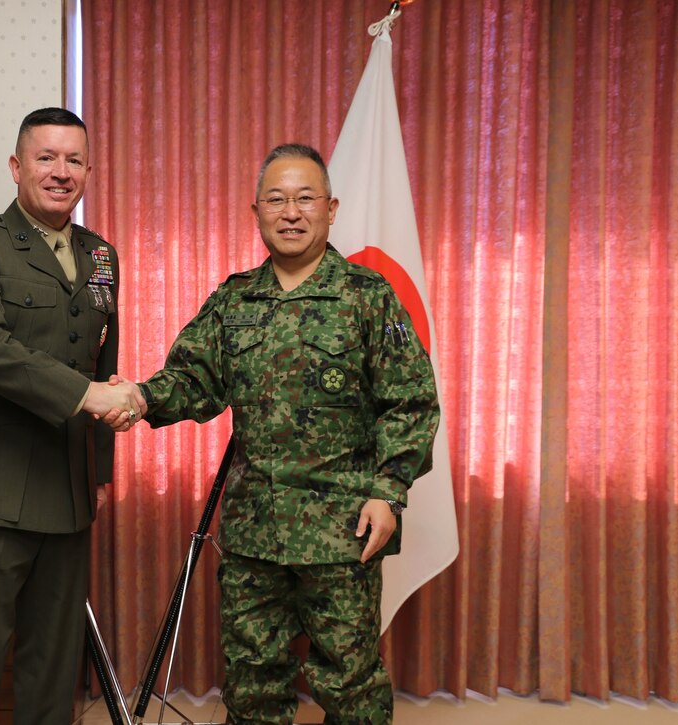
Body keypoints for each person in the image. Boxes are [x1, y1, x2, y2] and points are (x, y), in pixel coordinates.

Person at [115, 143, 439, 723]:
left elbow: (411, 404)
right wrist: (138, 398)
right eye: (277, 199)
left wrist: (389, 494)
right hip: (252, 537)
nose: (291, 212)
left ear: (331, 208)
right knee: (253, 683)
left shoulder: (367, 296)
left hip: (343, 536)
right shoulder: (236, 300)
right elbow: (193, 381)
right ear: (257, 210)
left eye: (305, 198)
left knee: (351, 685)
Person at [0, 107, 145, 725]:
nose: (60, 171)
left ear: (89, 171)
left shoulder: (102, 256)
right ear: (17, 167)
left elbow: (105, 356)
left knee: (52, 666)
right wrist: (90, 396)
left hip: (66, 491)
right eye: (46, 158)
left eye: (74, 160)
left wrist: (99, 457)